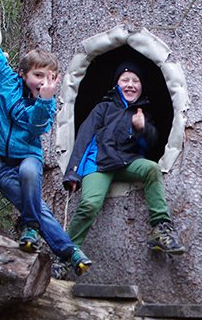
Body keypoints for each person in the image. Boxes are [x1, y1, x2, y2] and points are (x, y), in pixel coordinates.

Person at [0, 46, 91, 276]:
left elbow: (37, 126)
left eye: (50, 77)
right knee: (37, 206)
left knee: (30, 173)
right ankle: (69, 251)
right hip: (1, 163)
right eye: (38, 75)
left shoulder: (47, 102)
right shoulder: (6, 81)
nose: (43, 81)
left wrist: (44, 99)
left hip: (28, 155)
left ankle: (30, 228)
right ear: (22, 73)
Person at [62, 59, 186, 255]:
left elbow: (151, 143)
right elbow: (84, 137)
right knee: (89, 204)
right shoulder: (103, 107)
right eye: (125, 79)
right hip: (99, 162)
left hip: (126, 162)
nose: (130, 84)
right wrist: (73, 172)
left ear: (141, 86)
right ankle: (66, 253)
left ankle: (160, 229)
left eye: (135, 80)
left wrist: (141, 128)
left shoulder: (142, 112)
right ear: (116, 84)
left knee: (152, 168)